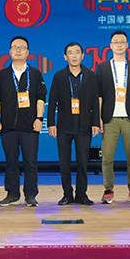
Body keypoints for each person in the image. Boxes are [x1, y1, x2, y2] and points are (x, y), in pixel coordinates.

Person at [0, 36, 47, 207]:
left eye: (22, 47)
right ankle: (12, 194)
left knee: (30, 162)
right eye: (15, 47)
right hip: (8, 125)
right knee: (11, 162)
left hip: (30, 125)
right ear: (10, 51)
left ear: (27, 52)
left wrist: (39, 118)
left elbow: (41, 98)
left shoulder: (35, 74)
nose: (18, 50)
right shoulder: (2, 74)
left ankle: (30, 195)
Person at [96, 30, 130, 204]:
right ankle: (108, 189)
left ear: (127, 45)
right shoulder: (102, 67)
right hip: (109, 119)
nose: (119, 45)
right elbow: (99, 95)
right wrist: (98, 117)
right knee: (107, 157)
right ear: (110, 46)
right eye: (115, 42)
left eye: (122, 42)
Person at [47, 42, 100, 205]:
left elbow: (95, 101)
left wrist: (95, 123)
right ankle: (67, 194)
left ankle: (82, 194)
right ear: (65, 57)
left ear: (82, 56)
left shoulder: (90, 75)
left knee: (83, 163)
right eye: (71, 52)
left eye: (77, 52)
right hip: (64, 126)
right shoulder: (59, 76)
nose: (74, 55)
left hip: (84, 125)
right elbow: (52, 101)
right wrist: (51, 123)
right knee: (64, 163)